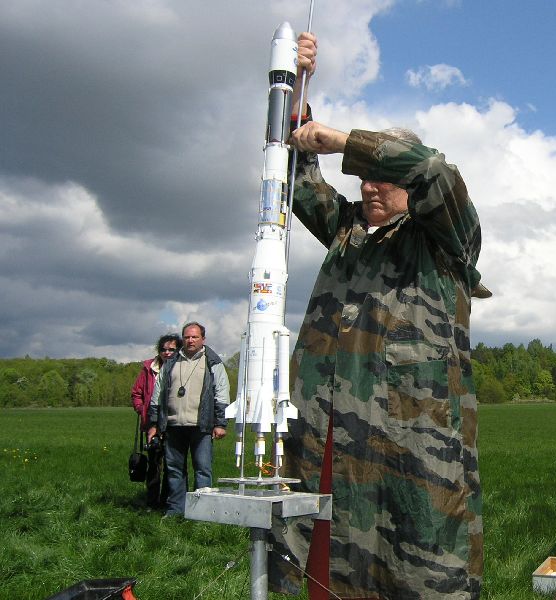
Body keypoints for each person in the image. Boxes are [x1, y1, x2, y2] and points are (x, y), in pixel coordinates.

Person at [270, 32, 488, 600]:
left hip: (409, 461)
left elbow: (435, 170)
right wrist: (295, 88)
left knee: (414, 576)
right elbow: (296, 174)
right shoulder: (346, 232)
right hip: (327, 449)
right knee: (325, 573)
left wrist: (345, 140)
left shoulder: (443, 241)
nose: (368, 186)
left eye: (381, 175)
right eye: (362, 176)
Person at [147, 322, 229, 517]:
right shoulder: (171, 362)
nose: (190, 340)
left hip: (201, 426)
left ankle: (201, 512)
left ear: (203, 339)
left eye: (194, 337)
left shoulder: (213, 362)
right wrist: (154, 424)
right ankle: (176, 510)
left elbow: (222, 393)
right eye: (187, 337)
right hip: (173, 425)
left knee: (202, 470)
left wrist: (220, 423)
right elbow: (158, 393)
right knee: (174, 470)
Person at [131, 332, 181, 508]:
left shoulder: (181, 368)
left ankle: (167, 501)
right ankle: (152, 502)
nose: (167, 353)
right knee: (154, 464)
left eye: (171, 349)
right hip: (151, 424)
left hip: (173, 423)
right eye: (163, 349)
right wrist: (142, 410)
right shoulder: (148, 369)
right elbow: (136, 393)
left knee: (171, 464)